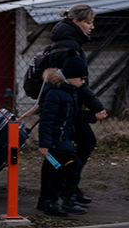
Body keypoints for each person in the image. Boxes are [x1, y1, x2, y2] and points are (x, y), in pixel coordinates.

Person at [37, 3, 108, 212]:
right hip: (63, 107)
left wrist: (91, 115)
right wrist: (96, 106)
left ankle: (67, 189)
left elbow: (77, 81)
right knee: (68, 151)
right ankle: (58, 193)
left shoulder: (67, 41)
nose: (92, 26)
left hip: (69, 106)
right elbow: (77, 82)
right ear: (75, 22)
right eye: (88, 22)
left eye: (93, 22)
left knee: (74, 150)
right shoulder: (69, 46)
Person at [38, 50, 96, 216]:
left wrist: (91, 117)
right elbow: (46, 120)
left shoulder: (70, 92)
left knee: (56, 171)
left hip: (63, 140)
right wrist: (45, 144)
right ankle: (68, 200)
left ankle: (49, 202)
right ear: (70, 76)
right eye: (81, 79)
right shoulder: (56, 94)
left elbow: (72, 115)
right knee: (72, 166)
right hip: (57, 143)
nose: (83, 82)